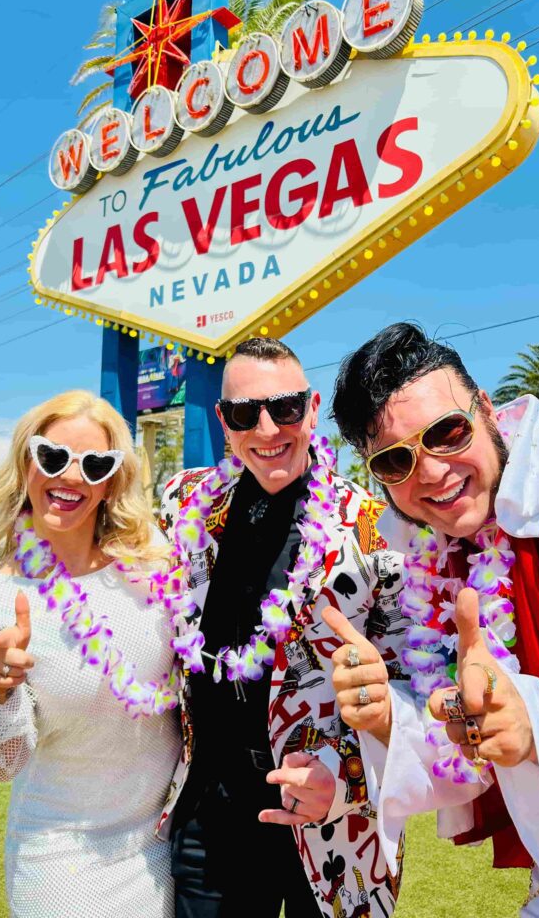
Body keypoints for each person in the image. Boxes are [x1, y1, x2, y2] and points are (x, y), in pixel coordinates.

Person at [326, 322, 539, 918]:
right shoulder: (436, 556)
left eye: (446, 432)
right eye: (394, 460)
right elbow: (471, 757)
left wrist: (537, 726)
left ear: (486, 409)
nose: (431, 472)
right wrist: (392, 721)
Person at [154, 337, 409, 918]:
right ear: (224, 422)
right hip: (211, 810)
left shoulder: (376, 531)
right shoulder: (181, 505)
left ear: (312, 409)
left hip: (334, 819)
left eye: (286, 407)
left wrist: (341, 780)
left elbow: (412, 691)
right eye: (246, 413)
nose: (268, 428)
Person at [0, 390, 181, 918]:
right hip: (59, 860)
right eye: (53, 457)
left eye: (95, 464)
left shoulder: (152, 574)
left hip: (162, 850)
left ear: (111, 482)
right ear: (26, 463)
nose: (71, 477)